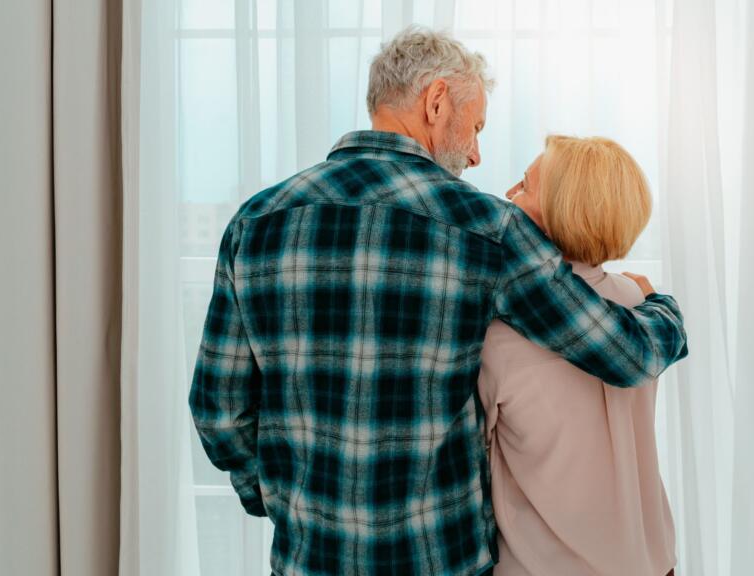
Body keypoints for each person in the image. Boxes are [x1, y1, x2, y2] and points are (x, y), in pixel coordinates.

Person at [189, 27, 687, 576]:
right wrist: (661, 306)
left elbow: (218, 409)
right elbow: (624, 355)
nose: (475, 154)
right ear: (435, 102)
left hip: (309, 558)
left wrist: (276, 495)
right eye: (475, 127)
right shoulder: (487, 229)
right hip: (440, 560)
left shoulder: (256, 222)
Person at [479, 136, 681, 576]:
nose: (509, 196)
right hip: (652, 561)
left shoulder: (500, 337)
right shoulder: (639, 299)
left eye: (526, 186)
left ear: (559, 214)